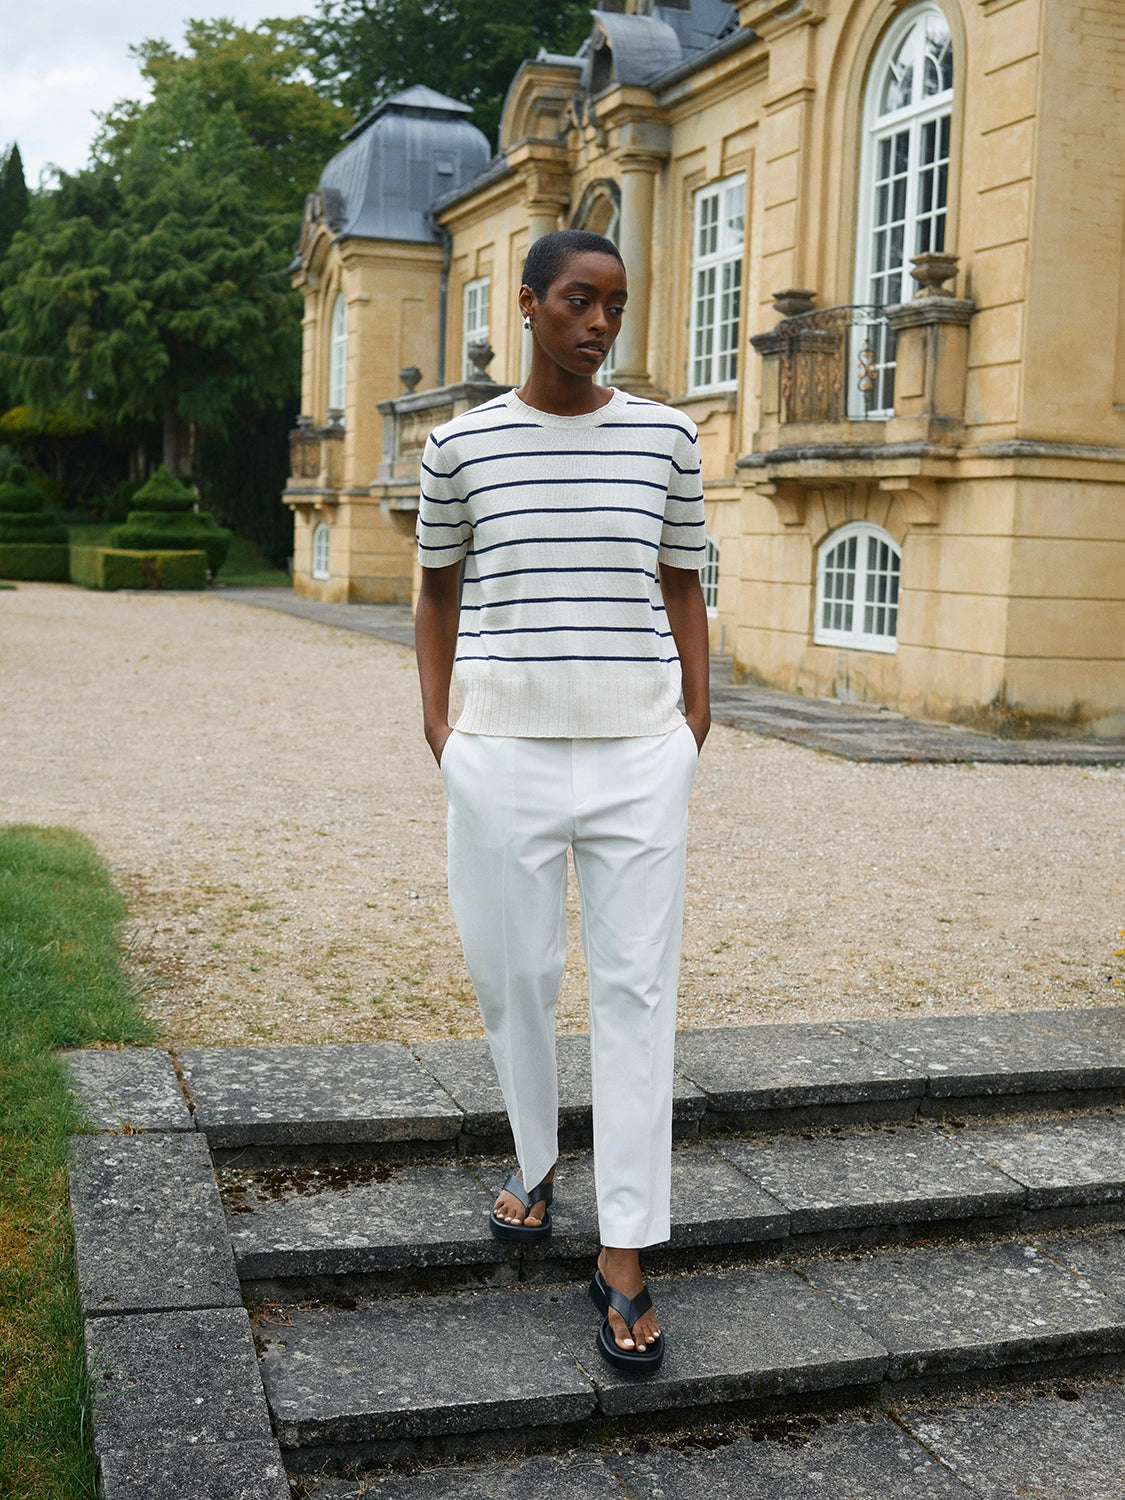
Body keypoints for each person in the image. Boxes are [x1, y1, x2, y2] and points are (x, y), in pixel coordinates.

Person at [414, 228, 709, 1374]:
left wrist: (692, 722)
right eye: (580, 301)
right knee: (515, 976)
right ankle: (535, 1161)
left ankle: (625, 1250)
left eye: (616, 306)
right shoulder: (459, 447)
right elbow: (436, 591)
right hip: (501, 752)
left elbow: (683, 579)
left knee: (637, 993)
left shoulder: (667, 439)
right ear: (529, 305)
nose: (600, 323)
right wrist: (441, 728)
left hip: (641, 752)